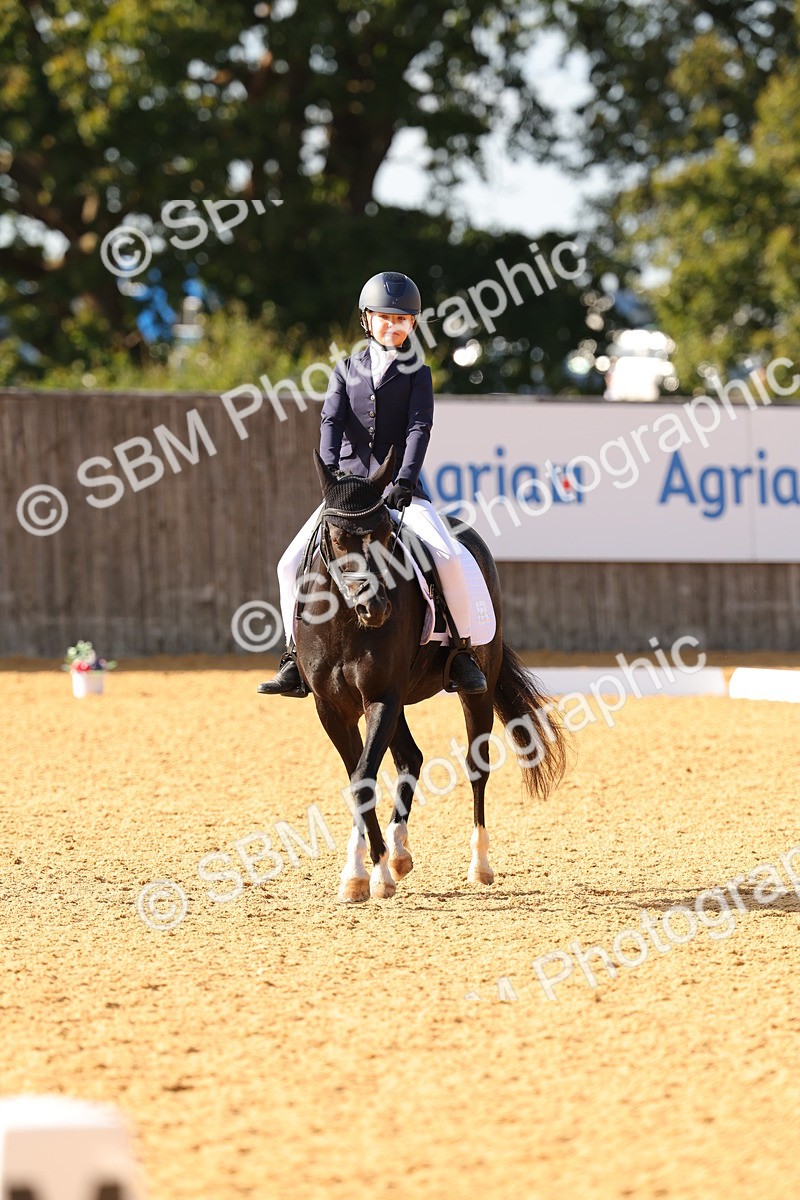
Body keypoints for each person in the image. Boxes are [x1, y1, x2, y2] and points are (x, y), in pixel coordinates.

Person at [260, 270, 487, 698]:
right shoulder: (345, 370)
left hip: (400, 492)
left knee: (449, 556)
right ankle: (293, 656)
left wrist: (404, 480)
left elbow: (420, 427)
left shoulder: (418, 373)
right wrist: (330, 480)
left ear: (413, 325)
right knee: (288, 564)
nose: (394, 326)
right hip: (347, 494)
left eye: (403, 319)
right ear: (367, 319)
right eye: (385, 318)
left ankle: (462, 653)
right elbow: (330, 422)